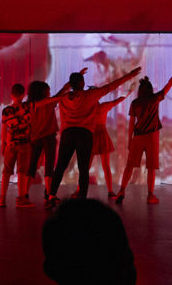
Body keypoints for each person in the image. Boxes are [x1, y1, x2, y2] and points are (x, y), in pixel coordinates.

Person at [46, 66, 141, 207]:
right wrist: (130, 75)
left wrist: (67, 86)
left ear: (70, 84)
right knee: (83, 167)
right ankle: (82, 198)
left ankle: (51, 196)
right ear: (83, 83)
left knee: (60, 165)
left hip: (68, 133)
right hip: (84, 133)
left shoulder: (64, 97)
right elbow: (111, 86)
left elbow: (54, 99)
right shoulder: (91, 95)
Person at [115, 58, 172, 204]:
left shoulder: (135, 103)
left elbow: (131, 124)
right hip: (152, 137)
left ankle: (122, 190)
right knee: (151, 168)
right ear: (151, 89)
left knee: (129, 166)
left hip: (138, 137)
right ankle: (150, 195)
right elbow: (169, 84)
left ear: (140, 91)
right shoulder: (154, 99)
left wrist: (129, 140)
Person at [26, 78, 76, 201]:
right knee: (49, 165)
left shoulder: (30, 105)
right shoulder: (49, 102)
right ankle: (48, 194)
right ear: (42, 92)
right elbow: (61, 92)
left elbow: (61, 92)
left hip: (35, 137)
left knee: (32, 165)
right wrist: (72, 82)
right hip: (48, 136)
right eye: (48, 91)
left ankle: (24, 193)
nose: (49, 92)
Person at [0, 83, 33, 208]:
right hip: (24, 143)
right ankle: (21, 199)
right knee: (22, 172)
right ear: (23, 94)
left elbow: (4, 130)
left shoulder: (6, 111)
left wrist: (3, 145)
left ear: (12, 94)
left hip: (10, 144)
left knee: (6, 171)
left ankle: (2, 199)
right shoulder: (27, 108)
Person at [86, 95, 127, 199]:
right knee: (104, 166)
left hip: (93, 135)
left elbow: (116, 101)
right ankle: (109, 191)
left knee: (87, 166)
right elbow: (117, 101)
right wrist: (128, 93)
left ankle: (80, 190)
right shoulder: (102, 107)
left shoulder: (89, 109)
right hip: (99, 135)